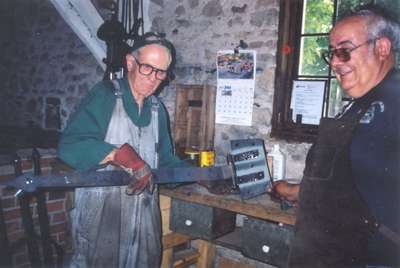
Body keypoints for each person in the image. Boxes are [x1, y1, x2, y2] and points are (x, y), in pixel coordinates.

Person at [271, 5, 400, 268]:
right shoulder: (357, 104)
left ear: (382, 48)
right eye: (331, 53)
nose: (334, 63)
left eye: (344, 51)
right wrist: (297, 192)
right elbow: (353, 183)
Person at [58, 34, 188, 268]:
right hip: (102, 217)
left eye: (161, 72)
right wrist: (117, 154)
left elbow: (166, 162)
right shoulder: (105, 96)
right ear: (130, 63)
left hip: (145, 220)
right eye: (148, 68)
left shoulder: (158, 110)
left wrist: (199, 176)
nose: (154, 79)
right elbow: (70, 145)